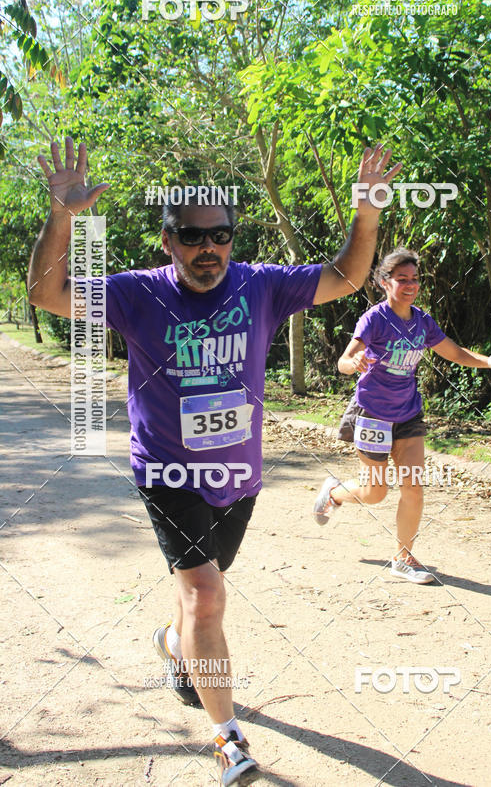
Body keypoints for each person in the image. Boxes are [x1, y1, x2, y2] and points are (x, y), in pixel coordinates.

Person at [28, 136, 402, 785]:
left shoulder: (261, 286)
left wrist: (365, 216)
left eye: (221, 236)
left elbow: (344, 276)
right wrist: (62, 216)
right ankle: (228, 740)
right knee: (207, 595)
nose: (209, 248)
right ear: (167, 241)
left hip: (238, 478)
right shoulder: (136, 295)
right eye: (193, 236)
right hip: (168, 473)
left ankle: (174, 646)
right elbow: (45, 293)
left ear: (233, 239)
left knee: (199, 592)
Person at [313, 246, 491, 585]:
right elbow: (343, 362)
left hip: (408, 414)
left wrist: (490, 362)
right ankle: (334, 493)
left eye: (415, 279)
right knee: (375, 493)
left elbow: (454, 352)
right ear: (384, 282)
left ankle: (403, 558)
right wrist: (354, 362)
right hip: (372, 414)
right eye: (402, 279)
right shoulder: (374, 319)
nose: (410, 285)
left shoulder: (422, 321)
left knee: (414, 487)